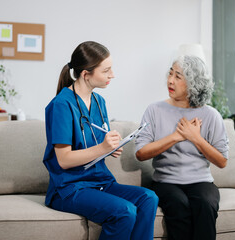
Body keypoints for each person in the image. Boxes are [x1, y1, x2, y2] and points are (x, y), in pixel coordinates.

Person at [43, 41, 158, 240]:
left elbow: (95, 144)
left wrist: (111, 148)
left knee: (149, 198)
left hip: (99, 181)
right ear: (86, 74)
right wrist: (102, 147)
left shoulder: (99, 102)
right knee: (125, 211)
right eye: (106, 70)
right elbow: (64, 160)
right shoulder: (61, 105)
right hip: (69, 188)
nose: (112, 75)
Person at [135, 55, 229, 240]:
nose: (170, 80)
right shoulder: (154, 110)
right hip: (165, 182)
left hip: (201, 181)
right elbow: (141, 153)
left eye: (178, 76)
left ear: (194, 83)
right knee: (179, 204)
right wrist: (177, 136)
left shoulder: (211, 115)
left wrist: (196, 138)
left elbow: (222, 161)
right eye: (171, 73)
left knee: (206, 204)